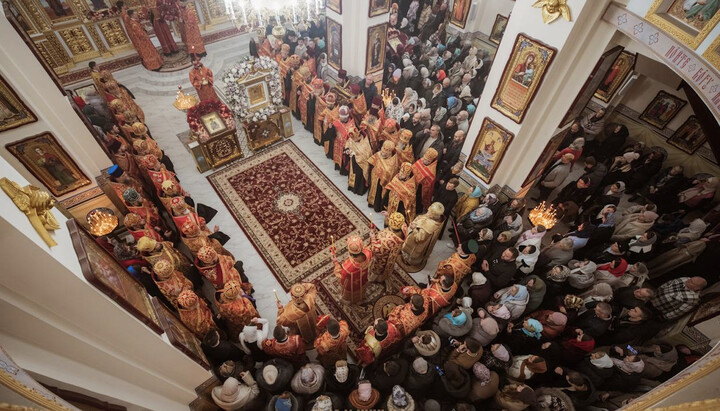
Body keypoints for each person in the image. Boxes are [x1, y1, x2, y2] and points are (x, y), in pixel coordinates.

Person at [401, 202, 445, 271]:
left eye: (429, 212)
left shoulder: (429, 226)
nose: (427, 210)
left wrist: (414, 228)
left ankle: (408, 261)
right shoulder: (439, 218)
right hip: (422, 238)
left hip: (416, 245)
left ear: (433, 215)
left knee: (410, 255)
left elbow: (419, 238)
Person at [369, 212, 406, 291]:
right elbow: (397, 226)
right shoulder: (404, 227)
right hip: (392, 255)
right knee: (387, 267)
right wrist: (388, 216)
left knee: (378, 268)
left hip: (382, 258)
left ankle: (375, 279)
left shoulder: (386, 239)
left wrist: (372, 236)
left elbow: (375, 249)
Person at [333, 235, 372, 305]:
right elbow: (368, 248)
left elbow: (340, 276)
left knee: (348, 297)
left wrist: (335, 261)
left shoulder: (348, 267)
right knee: (361, 291)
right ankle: (360, 299)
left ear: (350, 252)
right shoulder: (368, 254)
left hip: (351, 286)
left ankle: (348, 301)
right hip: (363, 280)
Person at [367, 141, 399, 211]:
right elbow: (371, 162)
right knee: (372, 190)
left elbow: (392, 173)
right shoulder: (378, 154)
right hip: (375, 177)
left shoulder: (393, 161)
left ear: (390, 152)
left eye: (385, 153)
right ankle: (371, 203)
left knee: (378, 194)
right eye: (383, 151)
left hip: (382, 182)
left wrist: (383, 175)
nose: (383, 154)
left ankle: (377, 206)